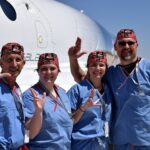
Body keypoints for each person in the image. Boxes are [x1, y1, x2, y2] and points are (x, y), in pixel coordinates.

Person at [68, 29, 150, 149]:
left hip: (145, 141)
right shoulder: (111, 74)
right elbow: (82, 78)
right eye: (121, 43)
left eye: (130, 43)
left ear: (137, 44)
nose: (126, 46)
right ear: (115, 47)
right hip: (120, 142)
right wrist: (72, 59)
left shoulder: (147, 69)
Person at [22, 52, 73, 150]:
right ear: (38, 72)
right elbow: (29, 134)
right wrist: (38, 111)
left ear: (58, 71)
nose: (48, 72)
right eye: (44, 69)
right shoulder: (31, 95)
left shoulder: (62, 93)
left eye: (52, 68)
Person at [67, 50, 111, 150]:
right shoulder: (77, 90)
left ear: (106, 68)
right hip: (81, 145)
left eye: (101, 65)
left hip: (102, 144)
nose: (97, 68)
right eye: (94, 65)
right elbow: (67, 121)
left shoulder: (109, 91)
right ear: (88, 67)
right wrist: (83, 108)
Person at [0, 43, 25, 149]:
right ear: (1, 63)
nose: (14, 65)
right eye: (9, 60)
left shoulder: (17, 90)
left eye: (18, 60)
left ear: (23, 63)